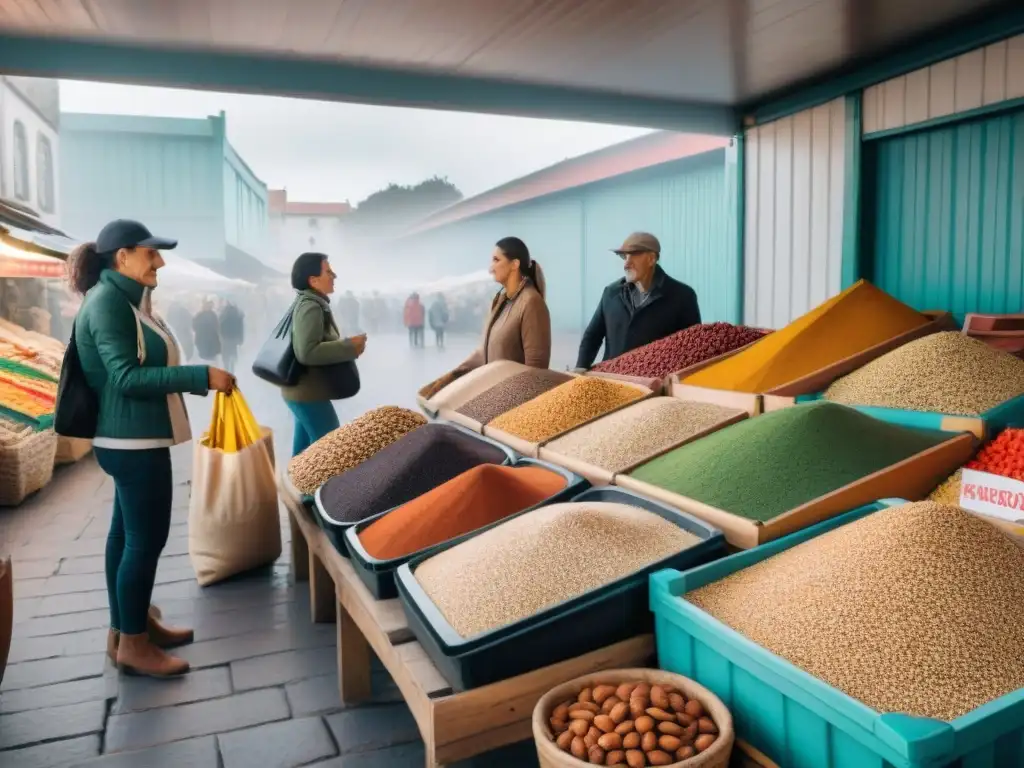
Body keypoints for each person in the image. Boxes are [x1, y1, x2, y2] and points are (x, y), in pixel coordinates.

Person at [67, 219, 235, 679]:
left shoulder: (124, 300)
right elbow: (124, 377)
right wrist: (200, 377)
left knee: (124, 537)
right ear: (122, 256)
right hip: (132, 440)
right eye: (150, 253)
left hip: (132, 438)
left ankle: (127, 629)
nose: (159, 261)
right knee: (144, 541)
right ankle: (135, 646)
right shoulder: (108, 305)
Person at [282, 252, 367, 457]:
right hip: (307, 392)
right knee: (328, 451)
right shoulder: (311, 306)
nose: (334, 276)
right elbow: (306, 352)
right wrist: (348, 347)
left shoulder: (308, 302)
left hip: (300, 390)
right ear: (313, 280)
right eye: (328, 271)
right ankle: (314, 490)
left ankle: (302, 488)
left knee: (304, 452)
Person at [575, 232, 701, 370]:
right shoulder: (611, 293)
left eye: (633, 256)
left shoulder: (682, 296)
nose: (626, 264)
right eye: (624, 257)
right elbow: (592, 336)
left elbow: (692, 348)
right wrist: (580, 369)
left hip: (655, 385)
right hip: (611, 380)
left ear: (651, 259)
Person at [454, 237, 551, 374]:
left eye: (496, 260)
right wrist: (448, 379)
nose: (491, 269)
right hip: (493, 392)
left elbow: (536, 371)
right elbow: (483, 353)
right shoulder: (500, 301)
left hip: (514, 395)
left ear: (514, 264)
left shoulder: (532, 303)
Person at [219, 301, 245, 374]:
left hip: (225, 338)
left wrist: (220, 336)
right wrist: (241, 339)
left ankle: (226, 369)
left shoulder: (223, 314)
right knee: (233, 353)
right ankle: (232, 370)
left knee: (226, 356)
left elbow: (220, 326)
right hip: (234, 338)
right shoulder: (238, 315)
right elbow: (241, 328)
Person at [192, 298, 221, 363]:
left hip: (202, 341)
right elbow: (217, 327)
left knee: (203, 359)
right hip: (211, 342)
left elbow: (194, 327)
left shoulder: (199, 315)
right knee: (211, 360)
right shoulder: (213, 315)